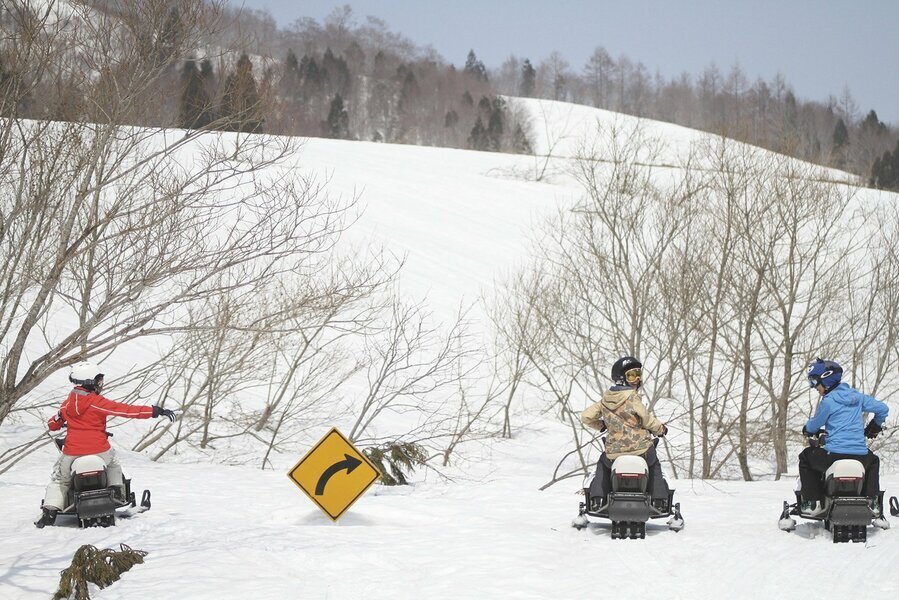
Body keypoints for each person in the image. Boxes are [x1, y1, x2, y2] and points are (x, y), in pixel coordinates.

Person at [34, 362, 177, 528]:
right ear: (91, 383)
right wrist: (154, 411)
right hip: (99, 450)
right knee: (114, 465)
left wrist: (62, 419)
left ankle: (50, 510)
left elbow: (52, 424)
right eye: (99, 381)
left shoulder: (67, 404)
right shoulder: (96, 402)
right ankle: (116, 491)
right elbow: (125, 410)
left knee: (60, 479)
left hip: (72, 451)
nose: (100, 384)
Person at [798, 358, 889, 517]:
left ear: (826, 380)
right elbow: (883, 408)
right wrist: (875, 425)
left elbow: (814, 426)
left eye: (814, 381)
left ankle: (812, 502)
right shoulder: (858, 398)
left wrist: (807, 429)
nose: (813, 387)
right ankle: (872, 501)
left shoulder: (828, 402)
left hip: (834, 456)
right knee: (873, 460)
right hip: (861, 456)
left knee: (806, 457)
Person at [581, 356, 669, 510]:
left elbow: (586, 416)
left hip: (614, 454)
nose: (636, 379)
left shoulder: (605, 400)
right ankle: (659, 500)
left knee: (603, 463)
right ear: (622, 378)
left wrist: (601, 425)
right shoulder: (632, 398)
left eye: (638, 374)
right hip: (641, 452)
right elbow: (647, 420)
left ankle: (597, 499)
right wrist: (661, 429)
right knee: (654, 464)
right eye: (631, 375)